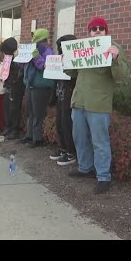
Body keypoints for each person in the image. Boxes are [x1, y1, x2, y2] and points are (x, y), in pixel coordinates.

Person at [66, 17, 130, 194]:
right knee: (79, 137)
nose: (97, 31)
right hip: (79, 101)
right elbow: (71, 72)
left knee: (100, 141)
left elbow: (122, 76)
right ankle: (85, 167)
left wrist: (116, 58)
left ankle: (103, 176)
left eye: (101, 28)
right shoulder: (84, 48)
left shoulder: (113, 47)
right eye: (94, 28)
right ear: (89, 32)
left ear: (106, 31)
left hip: (99, 103)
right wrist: (67, 60)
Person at [19, 28, 55, 148]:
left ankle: (37, 138)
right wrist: (19, 57)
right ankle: (29, 135)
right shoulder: (33, 48)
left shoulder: (47, 50)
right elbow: (22, 64)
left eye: (35, 38)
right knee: (30, 112)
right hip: (30, 84)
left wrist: (36, 56)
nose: (33, 40)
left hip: (40, 85)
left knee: (37, 113)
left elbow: (44, 66)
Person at [49, 35, 77, 166]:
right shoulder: (59, 58)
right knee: (60, 123)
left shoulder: (75, 60)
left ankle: (70, 152)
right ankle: (63, 148)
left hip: (69, 97)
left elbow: (74, 77)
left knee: (67, 125)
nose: (60, 49)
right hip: (60, 95)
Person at [0, 37, 25, 140]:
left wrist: (12, 80)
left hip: (16, 85)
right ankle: (9, 126)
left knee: (15, 108)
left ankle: (15, 129)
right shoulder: (9, 58)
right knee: (8, 107)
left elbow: (19, 73)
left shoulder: (17, 58)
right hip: (10, 84)